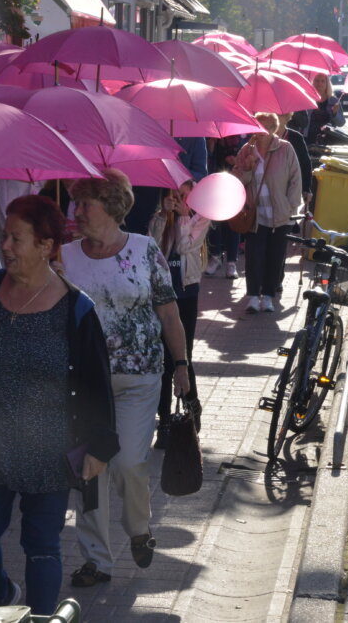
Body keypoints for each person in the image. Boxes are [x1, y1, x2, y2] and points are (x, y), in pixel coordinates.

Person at [0, 195, 118, 614]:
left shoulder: (76, 309)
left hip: (47, 449)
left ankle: (43, 618)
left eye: (17, 238)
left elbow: (95, 383)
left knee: (42, 546)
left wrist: (100, 448)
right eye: (4, 237)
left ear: (47, 246)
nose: (6, 247)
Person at [59, 170, 191, 586]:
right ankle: (97, 560)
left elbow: (168, 311)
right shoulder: (64, 256)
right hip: (84, 385)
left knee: (131, 462)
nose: (77, 212)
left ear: (112, 208)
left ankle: (139, 529)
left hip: (139, 377)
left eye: (86, 204)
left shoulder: (144, 248)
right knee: (89, 473)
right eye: (76, 203)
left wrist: (183, 365)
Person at [149, 180, 210, 448]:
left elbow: (186, 247)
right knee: (162, 360)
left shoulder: (201, 218)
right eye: (174, 195)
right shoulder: (160, 217)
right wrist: (163, 217)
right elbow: (153, 247)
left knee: (183, 356)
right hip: (162, 295)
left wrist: (184, 217)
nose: (179, 200)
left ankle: (191, 408)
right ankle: (163, 420)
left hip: (186, 293)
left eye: (184, 196)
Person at [232, 113, 303, 313]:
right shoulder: (247, 150)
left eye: (264, 128)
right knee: (253, 256)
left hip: (279, 214)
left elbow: (296, 179)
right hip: (255, 214)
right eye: (256, 127)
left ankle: (269, 296)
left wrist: (290, 207)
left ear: (273, 129)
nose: (260, 132)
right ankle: (253, 296)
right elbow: (237, 179)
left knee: (275, 256)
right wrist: (247, 167)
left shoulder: (285, 148)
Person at [205, 134, 247, 279]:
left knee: (233, 223)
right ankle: (215, 256)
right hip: (214, 182)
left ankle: (231, 262)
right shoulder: (211, 136)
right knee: (214, 222)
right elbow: (207, 162)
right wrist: (210, 147)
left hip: (234, 183)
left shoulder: (243, 136)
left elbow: (250, 161)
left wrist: (237, 161)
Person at [300, 72, 345, 145]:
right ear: (313, 82)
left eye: (322, 81)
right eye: (317, 81)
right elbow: (301, 122)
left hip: (328, 139)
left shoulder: (333, 101)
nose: (319, 83)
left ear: (327, 84)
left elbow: (341, 123)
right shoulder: (307, 99)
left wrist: (334, 114)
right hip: (308, 139)